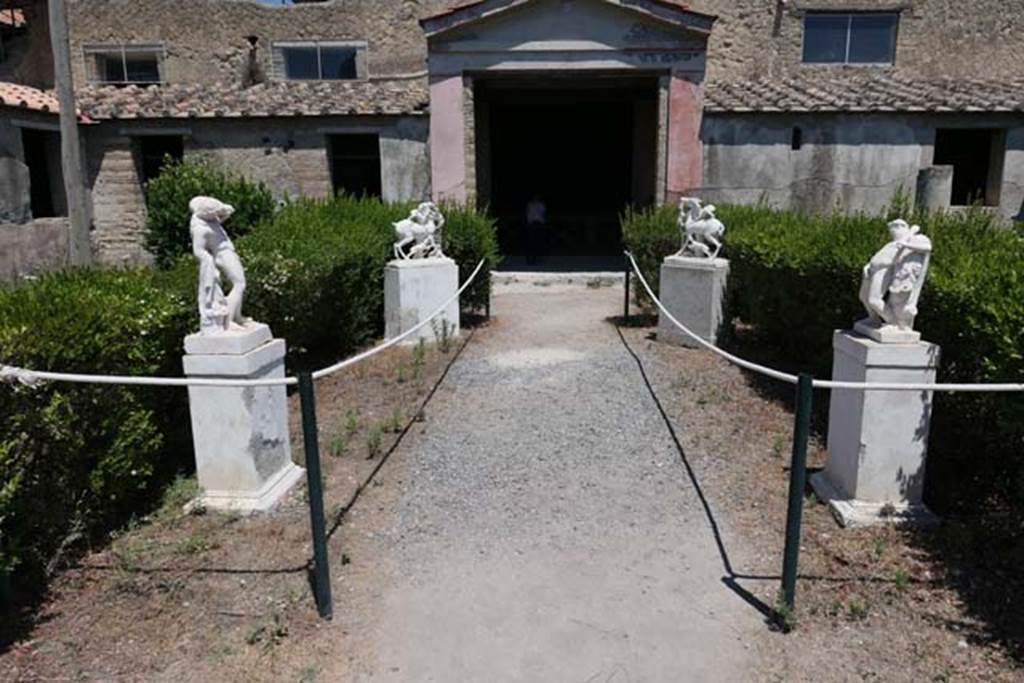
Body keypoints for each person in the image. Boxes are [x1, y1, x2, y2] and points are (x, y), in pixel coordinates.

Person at [189, 196, 249, 334]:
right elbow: (198, 250)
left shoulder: (210, 221)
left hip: (228, 252)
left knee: (240, 284)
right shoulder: (200, 229)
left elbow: (221, 218)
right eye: (214, 212)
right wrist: (208, 261)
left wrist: (225, 211)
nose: (217, 215)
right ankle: (230, 321)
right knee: (239, 284)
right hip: (222, 255)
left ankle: (237, 316)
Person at [525, 194, 547, 264]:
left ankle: (537, 257)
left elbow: (543, 213)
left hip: (538, 223)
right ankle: (531, 258)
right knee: (531, 241)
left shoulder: (540, 205)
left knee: (537, 241)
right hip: (532, 223)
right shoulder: (530, 204)